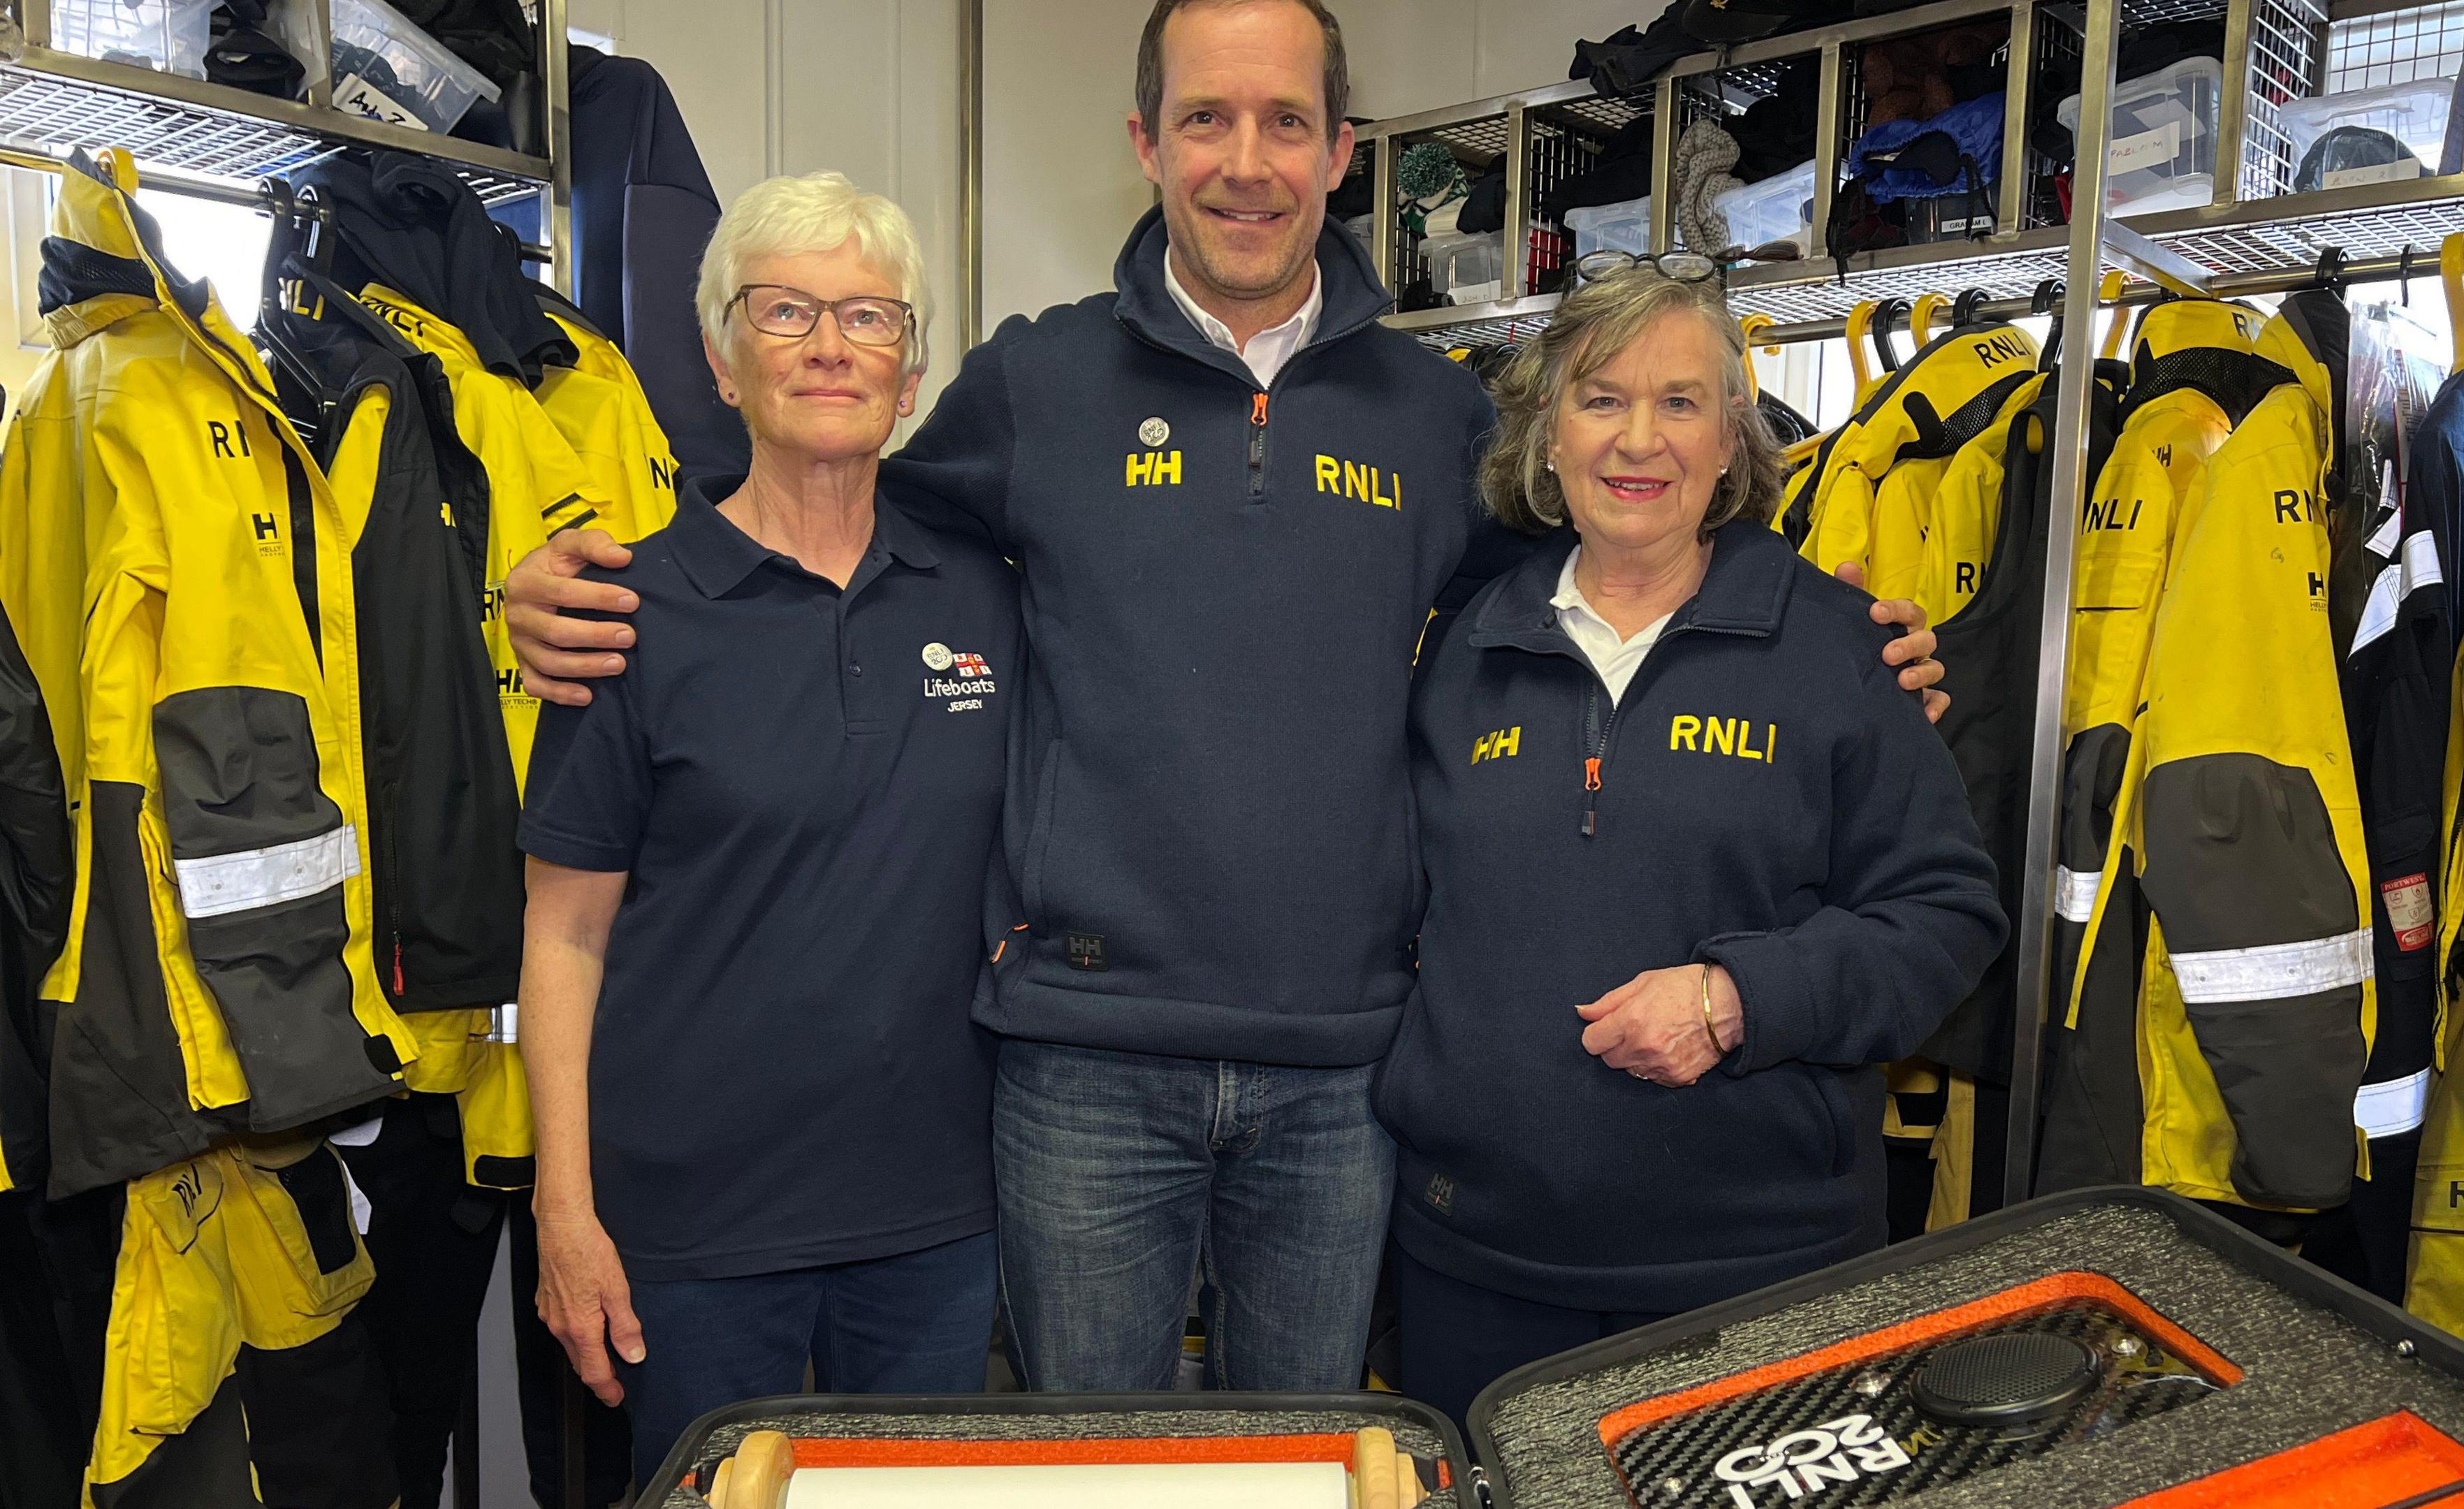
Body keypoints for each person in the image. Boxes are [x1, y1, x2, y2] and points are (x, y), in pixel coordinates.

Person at [500, 0, 1947, 1393]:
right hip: (1081, 1064)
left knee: (1304, 1453)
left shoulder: (1435, 414)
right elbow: (833, 498)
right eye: (1205, 119)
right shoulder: (1037, 384)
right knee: (1099, 1467)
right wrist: (593, 574)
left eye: (1283, 122)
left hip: (1345, 1070)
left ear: (1339, 150)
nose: (1243, 162)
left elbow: (1624, 536)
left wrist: (1819, 631)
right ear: (1145, 139)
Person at [1373, 268, 2008, 1422]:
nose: (1639, 440)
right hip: (1477, 1271)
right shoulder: (1461, 650)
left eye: (1681, 403)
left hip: (1759, 1277)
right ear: (1547, 438)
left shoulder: (1837, 649)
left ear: (1731, 441)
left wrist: (1738, 997)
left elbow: (1944, 915)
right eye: (1602, 399)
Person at [516, 172, 1015, 1478]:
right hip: (689, 1228)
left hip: (935, 1216)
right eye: (786, 311)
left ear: (912, 376)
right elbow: (563, 936)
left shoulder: (985, 587)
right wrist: (561, 1211)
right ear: (723, 361)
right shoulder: (627, 611)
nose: (831, 345)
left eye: (870, 317)